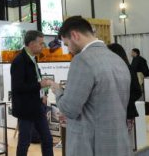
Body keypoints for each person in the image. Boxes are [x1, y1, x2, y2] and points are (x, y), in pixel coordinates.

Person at [51, 16, 131, 156]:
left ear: (74, 35)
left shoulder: (82, 60)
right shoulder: (117, 59)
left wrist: (58, 91)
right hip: (118, 144)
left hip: (90, 146)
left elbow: (69, 109)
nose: (69, 49)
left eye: (67, 44)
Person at [11, 30, 53, 156]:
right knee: (24, 142)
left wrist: (43, 94)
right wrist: (39, 85)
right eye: (40, 43)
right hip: (25, 109)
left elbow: (36, 80)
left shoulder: (33, 59)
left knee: (47, 139)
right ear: (31, 43)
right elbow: (18, 87)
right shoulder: (19, 61)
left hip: (37, 106)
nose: (43, 46)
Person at [108, 43, 141, 134]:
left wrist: (122, 101)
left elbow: (137, 92)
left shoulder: (128, 69)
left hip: (126, 112)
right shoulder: (107, 70)